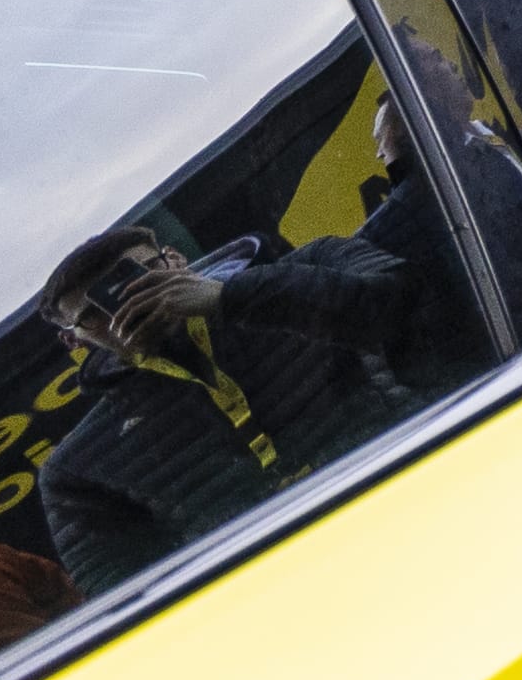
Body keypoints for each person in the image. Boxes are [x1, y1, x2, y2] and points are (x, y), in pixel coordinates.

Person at [27, 220, 433, 596]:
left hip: (429, 500)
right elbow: (134, 607)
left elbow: (409, 306)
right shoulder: (79, 470)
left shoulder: (316, 261)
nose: (121, 310)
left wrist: (230, 298)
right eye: (93, 316)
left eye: (137, 280)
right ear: (73, 341)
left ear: (176, 259)